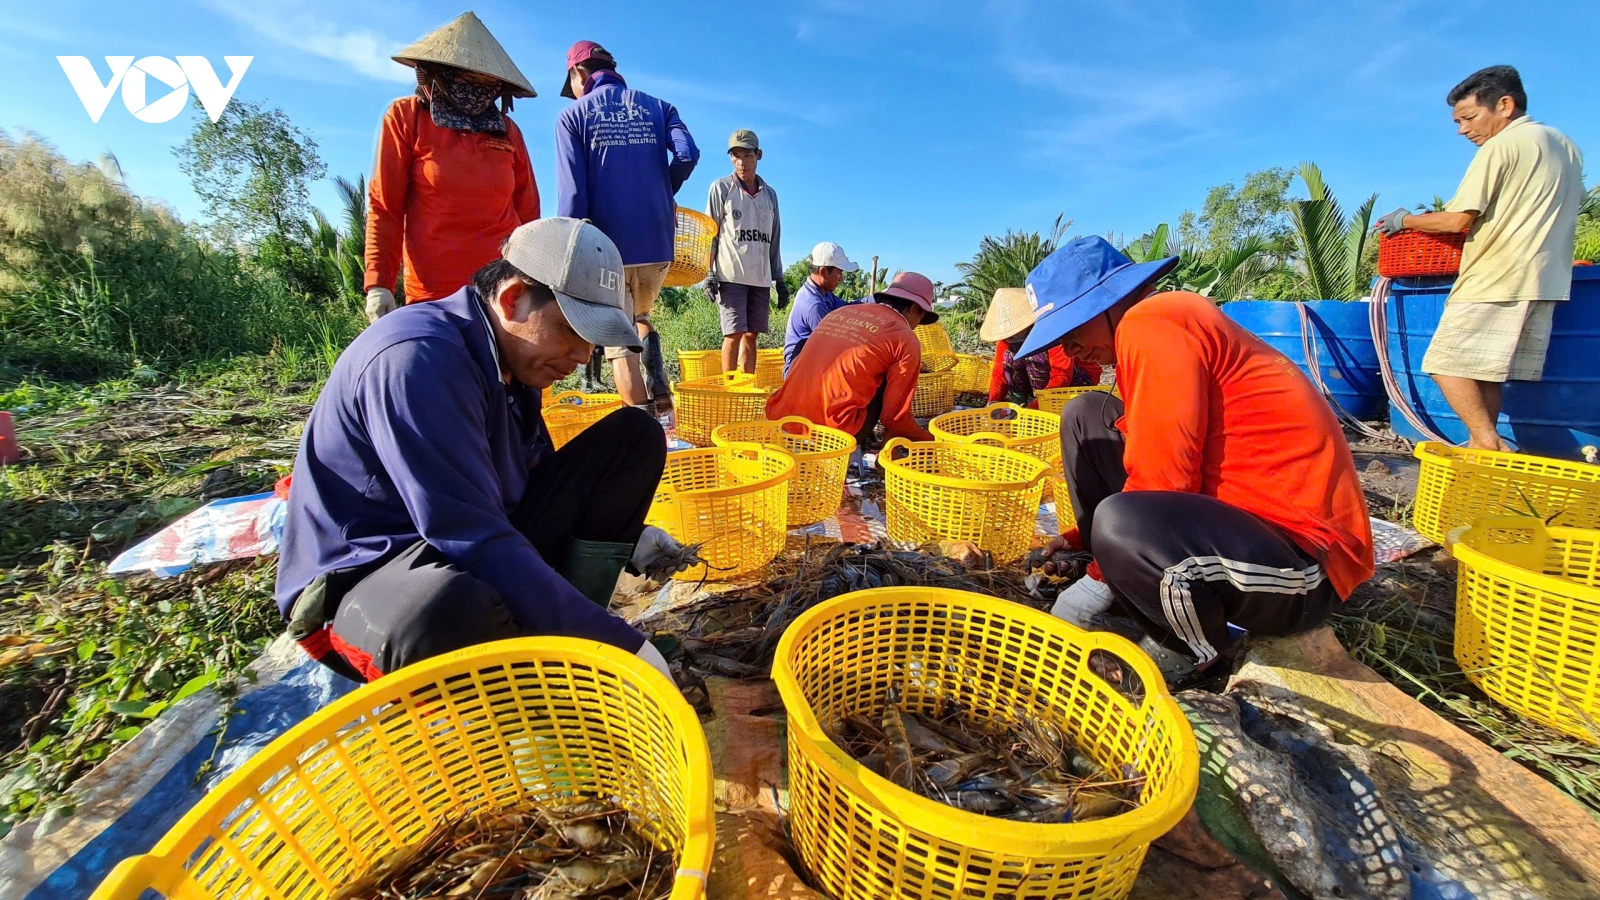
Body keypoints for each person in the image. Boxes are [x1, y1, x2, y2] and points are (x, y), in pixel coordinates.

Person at [276, 218, 690, 684]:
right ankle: (560, 658)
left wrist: (630, 540)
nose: (581, 356)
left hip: (465, 538)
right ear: (513, 298)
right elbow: (468, 534)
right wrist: (616, 646)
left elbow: (531, 486)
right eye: (571, 331)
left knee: (634, 436)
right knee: (446, 611)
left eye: (592, 342)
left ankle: (559, 637)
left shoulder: (514, 360)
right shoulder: (418, 358)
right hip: (375, 575)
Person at [1027, 237, 1374, 683]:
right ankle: (1124, 572)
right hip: (1240, 530)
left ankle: (1191, 652)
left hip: (1305, 567)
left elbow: (1165, 479)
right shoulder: (1156, 326)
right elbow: (1158, 454)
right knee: (1087, 415)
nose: (1071, 352)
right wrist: (1081, 541)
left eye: (1072, 335)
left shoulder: (1151, 321)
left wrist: (1093, 584)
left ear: (1106, 304)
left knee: (1121, 520)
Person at [1374, 65, 1584, 452]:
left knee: (1444, 364)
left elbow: (1457, 219)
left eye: (1469, 118)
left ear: (1504, 105)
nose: (1463, 130)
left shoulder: (1503, 145)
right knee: (1483, 372)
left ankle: (1486, 444)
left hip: (1498, 273)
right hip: (1545, 277)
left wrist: (1405, 219)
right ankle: (1484, 444)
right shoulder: (1563, 145)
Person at [365, 12, 541, 321]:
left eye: (488, 81)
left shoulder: (507, 131)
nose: (479, 87)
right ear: (437, 73)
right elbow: (385, 206)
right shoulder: (406, 117)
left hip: (501, 291)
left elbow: (528, 214)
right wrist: (379, 283)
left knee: (496, 370)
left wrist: (533, 277)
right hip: (433, 293)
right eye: (468, 78)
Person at [556, 40, 699, 414]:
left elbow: (572, 198)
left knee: (619, 346)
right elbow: (688, 153)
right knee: (640, 318)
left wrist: (565, 258)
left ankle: (641, 434)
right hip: (656, 244)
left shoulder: (573, 117)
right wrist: (661, 190)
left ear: (577, 74)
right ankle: (660, 395)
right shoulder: (659, 107)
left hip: (607, 249)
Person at [767, 272, 939, 449]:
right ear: (913, 309)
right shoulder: (904, 337)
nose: (917, 325)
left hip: (779, 421)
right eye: (920, 318)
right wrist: (933, 441)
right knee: (891, 385)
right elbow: (894, 418)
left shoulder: (841, 312)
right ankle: (888, 453)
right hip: (830, 436)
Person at [707, 130, 786, 374]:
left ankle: (746, 386)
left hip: (760, 278)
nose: (741, 161)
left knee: (752, 335)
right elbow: (710, 234)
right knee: (733, 333)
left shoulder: (770, 195)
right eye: (735, 155)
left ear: (758, 155)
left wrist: (779, 279)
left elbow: (774, 239)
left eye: (747, 155)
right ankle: (730, 389)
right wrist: (709, 273)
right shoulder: (721, 188)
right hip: (731, 276)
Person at [978, 287, 1101, 406]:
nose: (1012, 336)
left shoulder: (1051, 332)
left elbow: (1061, 376)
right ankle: (1020, 403)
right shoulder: (1006, 339)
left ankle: (1040, 403)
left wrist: (1035, 408)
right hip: (1042, 384)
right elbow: (999, 372)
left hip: (1076, 381)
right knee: (1010, 357)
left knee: (1036, 356)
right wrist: (993, 402)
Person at [782, 242, 859, 375]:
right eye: (839, 272)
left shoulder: (824, 293)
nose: (841, 278)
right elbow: (831, 345)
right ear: (823, 271)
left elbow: (847, 308)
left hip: (811, 363)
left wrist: (877, 299)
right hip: (798, 373)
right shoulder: (813, 305)